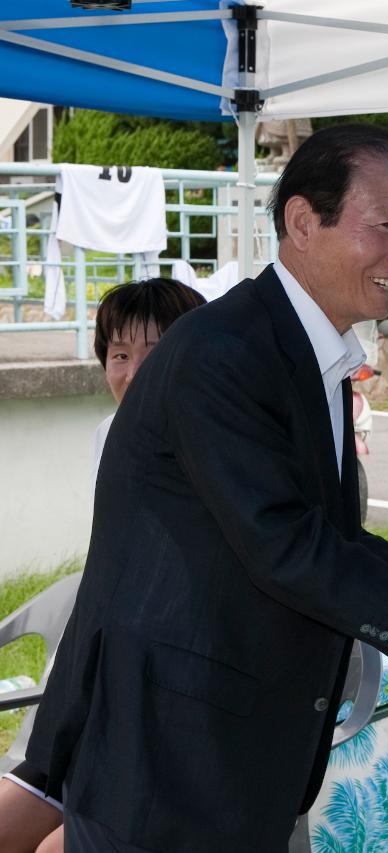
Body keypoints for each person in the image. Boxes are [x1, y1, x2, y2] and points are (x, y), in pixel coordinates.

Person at [22, 124, 388, 852]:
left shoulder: (305, 349)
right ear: (303, 222)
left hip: (231, 756)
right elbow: (282, 543)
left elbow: (318, 530)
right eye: (383, 227)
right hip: (166, 762)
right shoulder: (223, 353)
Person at [0, 277, 204, 853]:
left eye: (157, 352)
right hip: (97, 691)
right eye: (120, 354)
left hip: (171, 713)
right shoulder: (108, 435)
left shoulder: (223, 451)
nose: (134, 372)